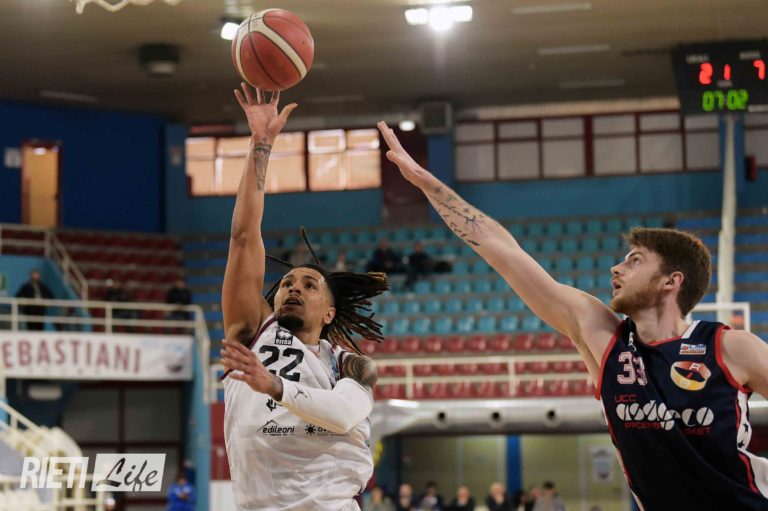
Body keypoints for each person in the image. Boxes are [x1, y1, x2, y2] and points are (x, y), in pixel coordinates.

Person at [378, 121, 768, 510]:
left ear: (671, 281)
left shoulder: (729, 347)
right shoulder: (604, 339)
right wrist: (428, 183)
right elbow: (504, 251)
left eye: (634, 261)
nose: (616, 268)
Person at [219, 83, 388, 511]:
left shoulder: (351, 364)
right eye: (287, 283)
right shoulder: (252, 332)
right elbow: (243, 237)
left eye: (310, 285)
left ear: (329, 312)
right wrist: (260, 144)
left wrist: (273, 385)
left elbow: (343, 413)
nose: (293, 287)